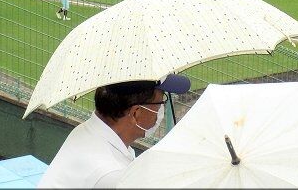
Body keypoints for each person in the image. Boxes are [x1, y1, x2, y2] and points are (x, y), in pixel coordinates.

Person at [37, 74, 191, 189]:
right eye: (161, 101)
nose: (161, 109)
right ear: (136, 113)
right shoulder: (112, 175)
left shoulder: (87, 130)